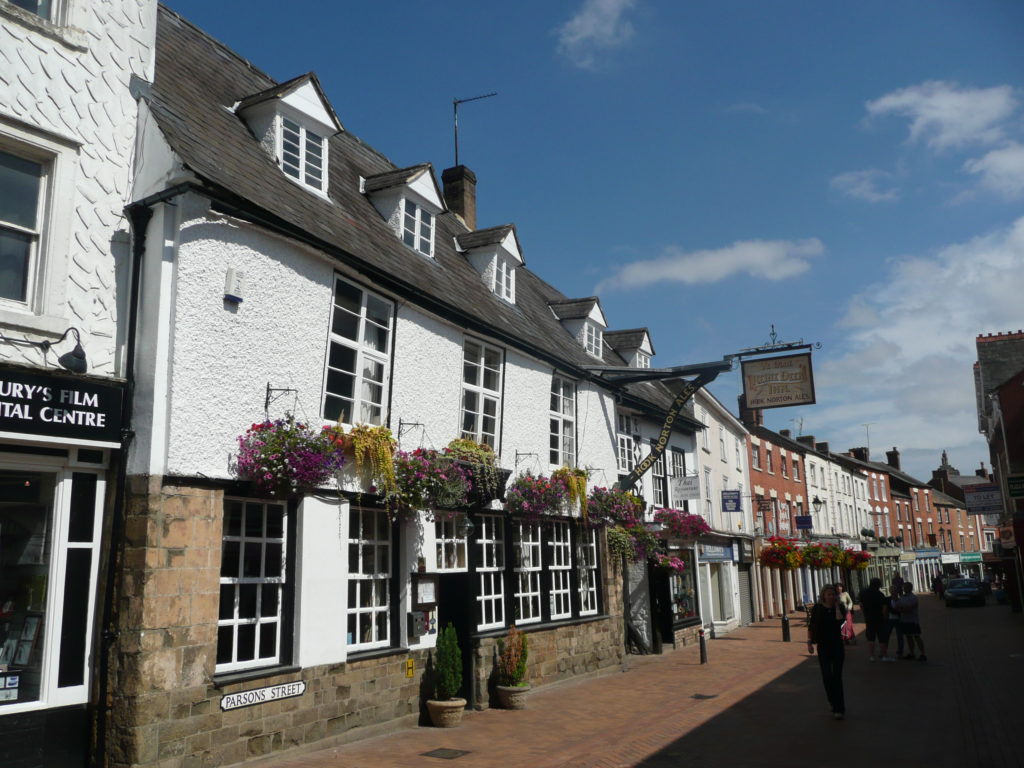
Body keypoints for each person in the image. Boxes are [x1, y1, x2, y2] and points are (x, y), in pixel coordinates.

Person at [807, 584, 847, 719]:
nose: (830, 597)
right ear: (823, 595)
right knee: (827, 677)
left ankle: (839, 709)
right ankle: (832, 700)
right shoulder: (817, 609)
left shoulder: (840, 607)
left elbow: (840, 621)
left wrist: (836, 606)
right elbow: (811, 625)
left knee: (837, 677)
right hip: (823, 646)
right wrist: (809, 642)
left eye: (833, 594)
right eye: (828, 594)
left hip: (837, 646)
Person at [857, 577, 887, 661]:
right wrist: (884, 617)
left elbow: (861, 605)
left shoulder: (864, 593)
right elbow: (884, 607)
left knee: (871, 638)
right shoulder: (880, 594)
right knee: (882, 638)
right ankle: (884, 655)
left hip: (869, 618)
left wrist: (865, 614)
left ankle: (871, 656)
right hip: (879, 618)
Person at [896, 582, 927, 662]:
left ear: (909, 588)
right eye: (903, 587)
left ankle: (923, 654)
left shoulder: (913, 597)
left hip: (913, 621)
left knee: (916, 636)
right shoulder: (902, 597)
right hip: (905, 620)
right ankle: (912, 653)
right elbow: (897, 606)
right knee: (908, 637)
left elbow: (908, 608)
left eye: (905, 587)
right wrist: (902, 608)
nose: (903, 589)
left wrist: (902, 608)